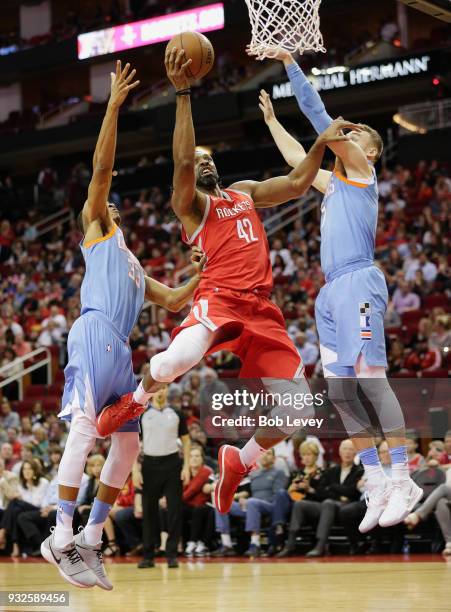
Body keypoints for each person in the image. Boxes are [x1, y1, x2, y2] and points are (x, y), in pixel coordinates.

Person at [96, 49, 360, 502]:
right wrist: (183, 93)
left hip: (262, 310)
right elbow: (180, 164)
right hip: (218, 299)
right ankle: (133, 402)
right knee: (169, 364)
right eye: (197, 161)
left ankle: (239, 460)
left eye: (207, 157)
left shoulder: (243, 193)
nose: (203, 162)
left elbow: (297, 184)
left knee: (297, 409)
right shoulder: (192, 208)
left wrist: (320, 144)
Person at [41, 60, 206, 591]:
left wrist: (205, 271)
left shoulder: (133, 264)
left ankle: (90, 538)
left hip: (121, 346)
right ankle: (60, 534)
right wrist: (112, 107)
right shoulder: (98, 227)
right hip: (95, 333)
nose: (108, 199)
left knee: (128, 445)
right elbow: (101, 171)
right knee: (87, 431)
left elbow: (178, 299)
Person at [250, 48, 422, 532]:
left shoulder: (363, 173)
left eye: (354, 135)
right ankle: (376, 479)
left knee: (371, 381)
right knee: (342, 390)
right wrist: (270, 123)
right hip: (330, 293)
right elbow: (296, 161)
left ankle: (403, 475)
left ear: (367, 151)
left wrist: (289, 64)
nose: (346, 137)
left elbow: (321, 119)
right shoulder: (335, 184)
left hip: (359, 281)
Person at [278, 440, 362, 557]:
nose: (347, 452)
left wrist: (332, 488)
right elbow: (322, 491)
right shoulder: (332, 470)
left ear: (356, 452)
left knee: (328, 502)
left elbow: (353, 492)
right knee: (300, 504)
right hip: (328, 505)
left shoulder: (359, 471)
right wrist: (339, 493)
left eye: (351, 449)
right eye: (345, 449)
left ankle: (320, 545)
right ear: (339, 451)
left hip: (347, 507)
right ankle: (290, 543)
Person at [138, 386, 191, 569]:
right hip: (149, 465)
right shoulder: (142, 413)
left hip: (172, 464)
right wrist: (135, 470)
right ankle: (148, 555)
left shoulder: (176, 413)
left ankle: (171, 555)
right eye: (157, 388)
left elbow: (186, 440)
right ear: (152, 391)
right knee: (149, 511)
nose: (160, 391)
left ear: (168, 390)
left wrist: (186, 466)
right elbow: (133, 443)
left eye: (164, 388)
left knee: (175, 510)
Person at [214, 449, 287, 557]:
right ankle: (227, 544)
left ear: (274, 458)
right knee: (221, 504)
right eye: (262, 454)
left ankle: (255, 544)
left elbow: (278, 496)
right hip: (252, 505)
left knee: (252, 502)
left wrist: (251, 501)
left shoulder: (279, 472)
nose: (265, 456)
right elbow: (249, 492)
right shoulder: (254, 474)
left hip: (270, 505)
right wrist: (243, 500)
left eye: (268, 454)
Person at [183, 446, 214, 557]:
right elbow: (178, 490)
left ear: (202, 458)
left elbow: (191, 491)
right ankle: (175, 543)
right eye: (191, 456)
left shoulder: (206, 471)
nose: (194, 459)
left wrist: (174, 501)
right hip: (189, 504)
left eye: (197, 456)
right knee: (169, 511)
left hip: (206, 505)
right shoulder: (185, 472)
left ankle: (193, 542)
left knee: (198, 510)